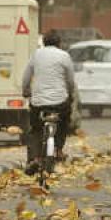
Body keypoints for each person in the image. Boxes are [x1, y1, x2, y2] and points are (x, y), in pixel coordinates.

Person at [22, 30, 76, 175]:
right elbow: (70, 80)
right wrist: (70, 94)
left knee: (35, 129)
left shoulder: (36, 54)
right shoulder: (65, 56)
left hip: (38, 102)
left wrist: (25, 90)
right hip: (59, 101)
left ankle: (34, 158)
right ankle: (58, 149)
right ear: (59, 43)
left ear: (44, 42)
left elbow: (26, 76)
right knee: (64, 121)